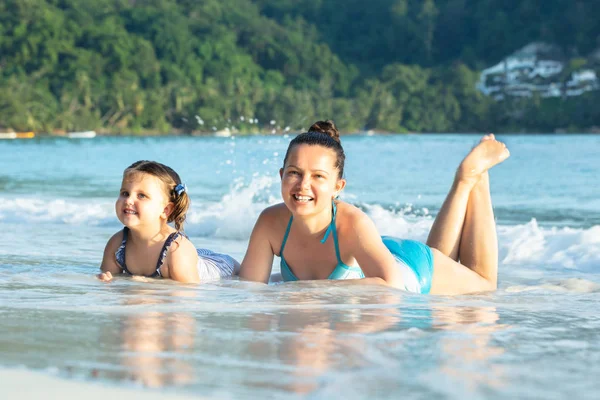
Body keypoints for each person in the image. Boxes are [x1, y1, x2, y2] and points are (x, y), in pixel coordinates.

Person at [239, 121, 510, 295]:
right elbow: (249, 290)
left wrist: (309, 291)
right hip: (375, 252)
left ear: (338, 187)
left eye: (318, 176)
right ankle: (464, 184)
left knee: (484, 287)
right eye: (294, 173)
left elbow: (391, 287)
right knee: (445, 257)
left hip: (412, 271)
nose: (303, 185)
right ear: (281, 175)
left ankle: (472, 176)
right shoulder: (270, 223)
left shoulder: (351, 222)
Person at [98, 160, 239, 283]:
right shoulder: (117, 244)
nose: (128, 200)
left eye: (141, 195)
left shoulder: (177, 250)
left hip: (220, 267)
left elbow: (189, 291)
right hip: (194, 256)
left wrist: (149, 283)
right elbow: (109, 277)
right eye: (125, 193)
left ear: (165, 210)